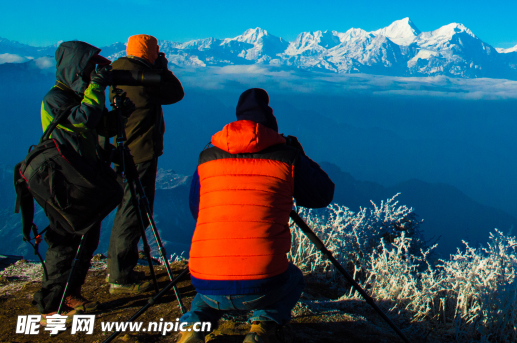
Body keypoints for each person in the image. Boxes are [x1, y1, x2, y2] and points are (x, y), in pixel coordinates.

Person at [176, 88, 335, 343]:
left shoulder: (206, 159)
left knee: (209, 283)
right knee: (293, 279)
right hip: (264, 285)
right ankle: (262, 327)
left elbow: (198, 210)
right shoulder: (287, 158)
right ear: (272, 130)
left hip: (207, 280)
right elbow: (322, 195)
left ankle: (194, 329)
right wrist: (299, 154)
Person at [32, 41, 115, 314]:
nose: (93, 72)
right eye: (90, 66)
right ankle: (52, 302)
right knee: (65, 241)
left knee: (86, 239)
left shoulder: (77, 97)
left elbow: (99, 125)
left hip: (83, 178)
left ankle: (71, 293)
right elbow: (81, 121)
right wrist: (97, 89)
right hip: (64, 183)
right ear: (76, 69)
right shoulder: (54, 99)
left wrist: (119, 113)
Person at [106, 34, 185, 293]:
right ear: (150, 52)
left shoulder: (115, 72)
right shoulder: (144, 77)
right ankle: (120, 275)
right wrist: (162, 69)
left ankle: (117, 267)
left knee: (124, 206)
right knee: (135, 209)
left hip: (118, 150)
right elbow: (175, 94)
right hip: (140, 152)